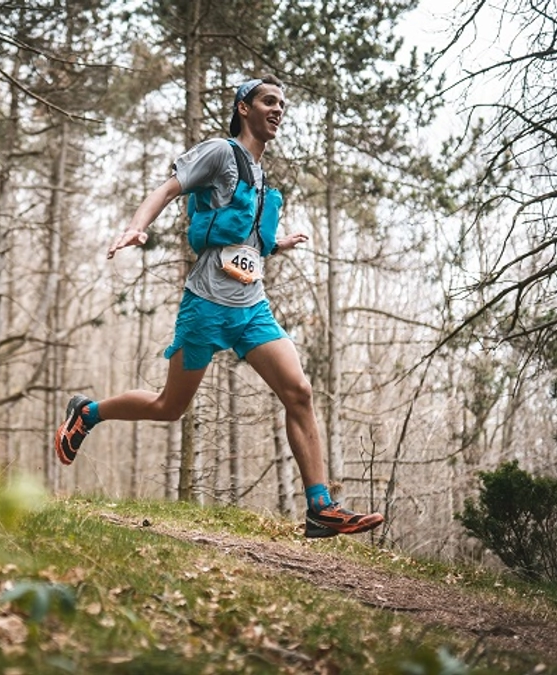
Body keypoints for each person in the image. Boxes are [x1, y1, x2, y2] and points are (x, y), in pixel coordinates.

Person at [54, 75, 383, 538]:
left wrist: (277, 243)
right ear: (243, 108)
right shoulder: (219, 152)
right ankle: (88, 413)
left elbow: (242, 242)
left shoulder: (261, 172)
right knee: (170, 407)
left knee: (300, 393)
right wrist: (135, 226)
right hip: (206, 306)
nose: (278, 110)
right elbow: (168, 189)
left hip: (252, 309)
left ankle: (320, 508)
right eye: (269, 101)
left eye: (282, 104)